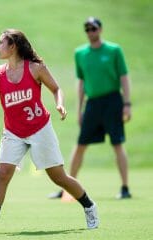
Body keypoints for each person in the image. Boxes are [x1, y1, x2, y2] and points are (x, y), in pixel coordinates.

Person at [0, 29, 99, 234]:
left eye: (1, 42)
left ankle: (89, 206)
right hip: (13, 132)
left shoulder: (36, 69)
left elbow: (56, 88)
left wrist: (59, 104)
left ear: (13, 46)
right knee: (3, 173)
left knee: (58, 177)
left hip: (40, 128)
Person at [48, 17, 132, 200]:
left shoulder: (114, 50)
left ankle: (125, 188)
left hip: (112, 101)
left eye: (93, 28)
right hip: (92, 104)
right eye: (87, 29)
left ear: (100, 29)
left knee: (117, 143)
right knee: (80, 145)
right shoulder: (80, 53)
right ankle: (67, 189)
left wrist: (127, 104)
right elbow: (81, 82)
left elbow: (124, 78)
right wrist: (79, 109)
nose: (90, 32)